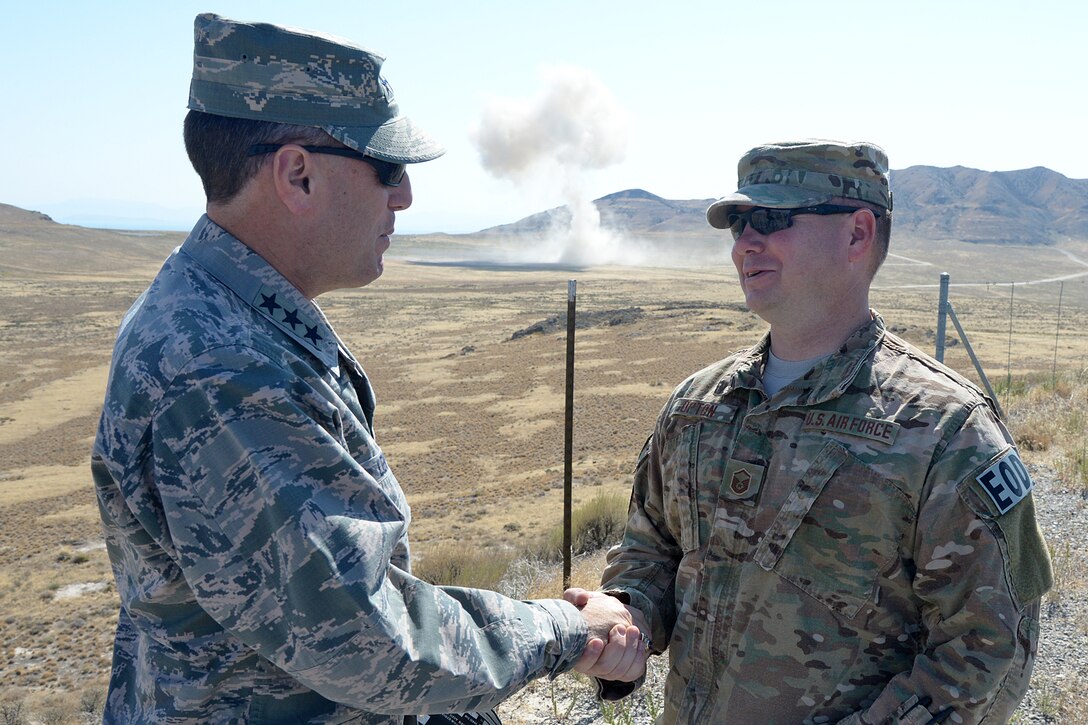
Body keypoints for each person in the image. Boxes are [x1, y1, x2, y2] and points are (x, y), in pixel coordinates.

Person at [91, 13, 646, 724]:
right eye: (386, 166)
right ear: (297, 174)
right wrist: (568, 630)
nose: (405, 194)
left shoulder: (223, 316)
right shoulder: (224, 369)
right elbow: (370, 640)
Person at [572, 140, 1053, 723]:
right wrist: (625, 617)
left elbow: (988, 651)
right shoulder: (698, 405)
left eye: (772, 219)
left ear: (857, 234)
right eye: (739, 224)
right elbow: (651, 552)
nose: (746, 242)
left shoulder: (944, 431)